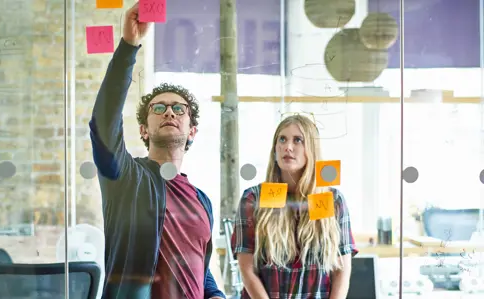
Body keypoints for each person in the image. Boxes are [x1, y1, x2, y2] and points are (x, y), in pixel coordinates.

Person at [89, 2, 225, 299]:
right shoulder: (126, 178)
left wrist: (216, 295)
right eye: (158, 108)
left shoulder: (202, 201)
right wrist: (128, 46)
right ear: (143, 130)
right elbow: (103, 125)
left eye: (179, 109)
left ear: (192, 131)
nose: (169, 113)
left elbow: (201, 271)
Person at [231, 114, 358, 299]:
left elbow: (341, 270)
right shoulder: (253, 198)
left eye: (298, 140)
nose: (287, 147)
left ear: (311, 150)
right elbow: (247, 268)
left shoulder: (332, 199)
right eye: (282, 139)